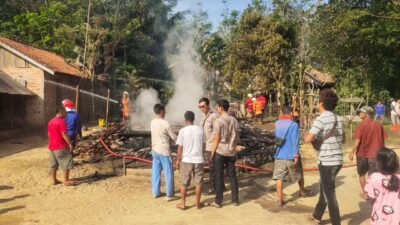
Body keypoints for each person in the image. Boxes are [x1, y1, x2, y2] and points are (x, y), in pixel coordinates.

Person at [304, 89, 344, 225]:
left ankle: (336, 222)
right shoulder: (338, 118)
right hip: (338, 159)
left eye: (318, 100)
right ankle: (317, 216)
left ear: (321, 103)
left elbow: (308, 139)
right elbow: (342, 139)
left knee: (329, 194)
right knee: (325, 188)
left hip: (327, 161)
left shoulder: (321, 119)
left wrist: (306, 136)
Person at [208, 99, 239, 208]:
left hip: (220, 152)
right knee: (232, 176)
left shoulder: (219, 121)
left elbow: (217, 139)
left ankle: (218, 201)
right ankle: (235, 200)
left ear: (221, 108)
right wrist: (233, 149)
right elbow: (236, 137)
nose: (217, 108)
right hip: (231, 152)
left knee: (219, 176)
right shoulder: (234, 120)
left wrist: (212, 153)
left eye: (217, 107)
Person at [349, 106, 385, 199]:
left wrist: (352, 152)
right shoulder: (379, 125)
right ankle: (375, 194)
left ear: (365, 114)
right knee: (373, 176)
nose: (359, 113)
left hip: (362, 154)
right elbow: (382, 140)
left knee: (361, 175)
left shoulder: (360, 125)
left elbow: (357, 141)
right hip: (375, 155)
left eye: (361, 112)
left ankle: (366, 194)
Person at [273, 105, 306, 207]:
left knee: (279, 177)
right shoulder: (294, 124)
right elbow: (295, 141)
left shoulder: (277, 123)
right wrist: (296, 155)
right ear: (291, 113)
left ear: (282, 113)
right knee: (299, 174)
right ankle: (302, 191)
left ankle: (279, 200)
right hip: (291, 155)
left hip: (279, 154)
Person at [175, 111, 205, 210]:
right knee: (198, 183)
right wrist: (201, 154)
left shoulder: (183, 131)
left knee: (184, 183)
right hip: (199, 160)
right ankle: (197, 204)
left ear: (185, 120)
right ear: (193, 119)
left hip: (186, 160)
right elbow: (204, 145)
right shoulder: (200, 130)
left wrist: (178, 160)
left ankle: (183, 203)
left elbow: (180, 147)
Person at [364, 148, 400, 225]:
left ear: (378, 163)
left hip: (380, 218)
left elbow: (371, 197)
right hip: (397, 218)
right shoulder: (399, 178)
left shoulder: (374, 178)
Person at [150, 104, 177, 201]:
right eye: (164, 111)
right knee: (168, 172)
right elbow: (173, 137)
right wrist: (174, 140)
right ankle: (169, 195)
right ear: (161, 111)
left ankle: (156, 192)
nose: (165, 112)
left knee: (155, 172)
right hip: (164, 150)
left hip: (155, 150)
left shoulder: (152, 122)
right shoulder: (165, 123)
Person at [47, 106, 75, 186]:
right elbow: (64, 134)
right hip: (61, 146)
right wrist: (70, 144)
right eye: (65, 112)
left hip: (52, 146)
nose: (66, 113)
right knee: (67, 161)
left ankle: (54, 180)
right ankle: (66, 180)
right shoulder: (61, 121)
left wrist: (52, 142)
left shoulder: (51, 121)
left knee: (53, 164)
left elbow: (49, 134)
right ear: (61, 112)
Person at [198, 97, 220, 194]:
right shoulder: (203, 117)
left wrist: (214, 146)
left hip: (211, 145)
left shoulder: (214, 116)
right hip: (206, 145)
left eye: (203, 106)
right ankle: (220, 186)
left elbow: (217, 132)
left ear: (208, 105)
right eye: (199, 107)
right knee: (212, 166)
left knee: (212, 168)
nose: (201, 108)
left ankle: (213, 188)